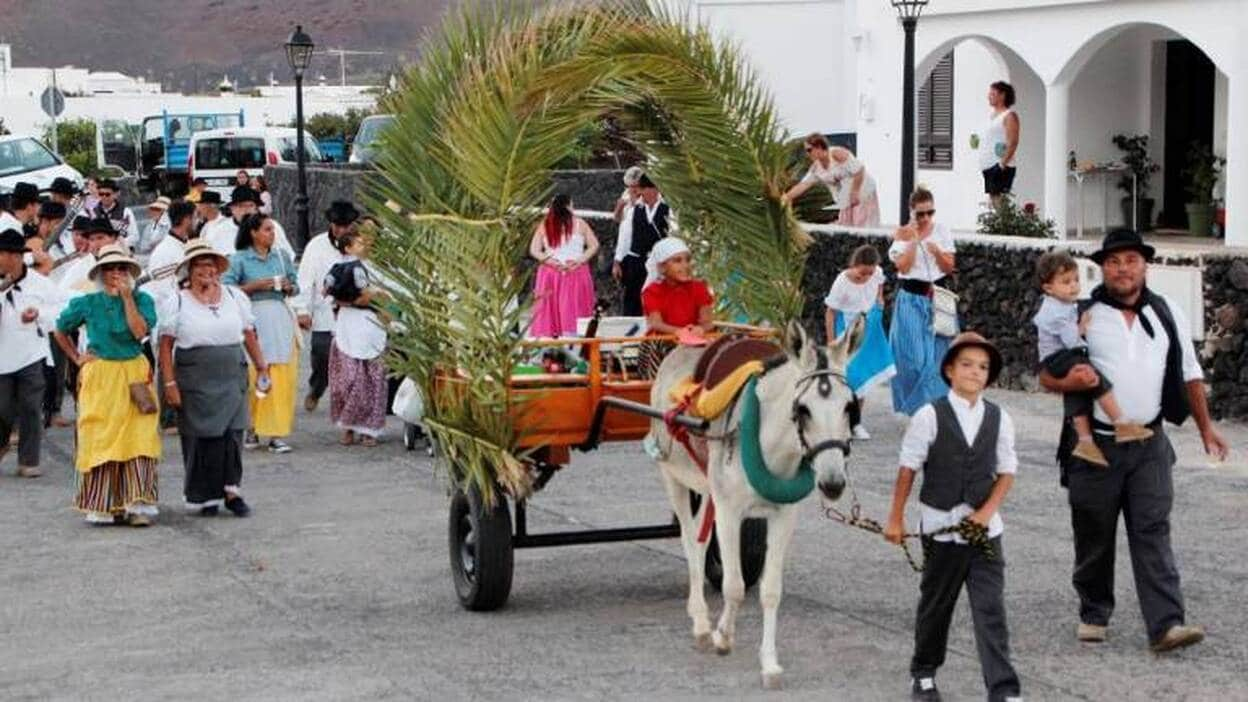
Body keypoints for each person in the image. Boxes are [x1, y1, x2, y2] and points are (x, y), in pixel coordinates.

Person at [1039, 229, 1227, 653]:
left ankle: (1165, 625)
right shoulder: (1081, 312)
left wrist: (1206, 428)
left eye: (1131, 260)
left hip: (1150, 444)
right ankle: (1094, 610)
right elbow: (1047, 369)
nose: (1123, 269)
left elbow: (1190, 373)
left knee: (1152, 530)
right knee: (1093, 532)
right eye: (1114, 261)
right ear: (1102, 268)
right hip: (1095, 446)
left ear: (1144, 265)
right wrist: (1066, 380)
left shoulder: (1166, 312)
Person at [884, 332, 1021, 702]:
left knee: (990, 610)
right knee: (936, 605)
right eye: (966, 365)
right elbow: (908, 468)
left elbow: (1007, 470)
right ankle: (924, 674)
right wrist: (895, 518)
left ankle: (1004, 690)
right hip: (941, 530)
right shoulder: (930, 415)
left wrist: (987, 512)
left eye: (983, 367)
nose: (975, 373)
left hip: (985, 534)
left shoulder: (998, 417)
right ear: (949, 370)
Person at [53, 244, 162, 526]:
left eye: (121, 268)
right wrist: (77, 357)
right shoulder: (87, 302)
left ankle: (137, 503)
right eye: (110, 268)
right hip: (101, 374)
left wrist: (127, 298)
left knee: (139, 435)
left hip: (133, 371)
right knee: (101, 433)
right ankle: (104, 503)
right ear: (101, 273)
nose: (116, 273)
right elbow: (60, 329)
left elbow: (140, 333)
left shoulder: (143, 300)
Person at [159, 240, 268, 516]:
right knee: (202, 436)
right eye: (199, 266)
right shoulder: (178, 302)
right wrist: (169, 383)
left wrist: (262, 367)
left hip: (231, 373)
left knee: (233, 432)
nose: (206, 271)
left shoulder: (234, 297)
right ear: (189, 271)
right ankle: (205, 496)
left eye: (210, 265)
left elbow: (249, 334)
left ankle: (232, 491)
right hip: (195, 377)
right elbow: (165, 345)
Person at [1032, 250, 1155, 467]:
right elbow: (1070, 340)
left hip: (1056, 358)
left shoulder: (1059, 305)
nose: (1074, 286)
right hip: (1060, 356)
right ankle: (1121, 423)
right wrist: (1081, 326)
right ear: (1048, 288)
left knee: (1077, 390)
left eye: (1076, 280)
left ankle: (1085, 441)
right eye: (1066, 282)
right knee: (1096, 379)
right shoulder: (1056, 311)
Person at [222, 213, 300, 454]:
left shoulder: (281, 256)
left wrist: (288, 286)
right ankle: (252, 425)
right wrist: (254, 287)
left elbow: (295, 284)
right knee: (255, 372)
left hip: (278, 314)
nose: (271, 234)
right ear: (253, 232)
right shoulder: (239, 260)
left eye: (272, 230)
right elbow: (227, 289)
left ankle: (276, 432)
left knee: (282, 375)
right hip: (253, 315)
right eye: (266, 229)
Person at [0, 228, 66, 477]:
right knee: (2, 409)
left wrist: (39, 315)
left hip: (31, 353)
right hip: (1, 356)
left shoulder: (40, 284)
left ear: (15, 257)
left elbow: (62, 309)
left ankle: (28, 460)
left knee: (30, 406)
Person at [889, 188, 957, 416]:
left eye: (930, 212)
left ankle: (934, 409)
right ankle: (914, 408)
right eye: (921, 214)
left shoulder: (942, 231)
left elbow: (949, 267)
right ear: (912, 212)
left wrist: (937, 252)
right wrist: (914, 241)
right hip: (911, 299)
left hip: (937, 298)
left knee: (938, 358)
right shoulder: (902, 233)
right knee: (912, 359)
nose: (926, 218)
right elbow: (903, 267)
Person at [323, 225, 389, 446]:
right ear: (349, 247)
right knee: (347, 380)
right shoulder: (340, 268)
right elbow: (331, 293)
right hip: (349, 323)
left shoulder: (382, 268)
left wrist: (377, 299)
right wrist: (352, 299)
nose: (365, 244)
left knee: (373, 380)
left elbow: (389, 296)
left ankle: (369, 429)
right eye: (360, 241)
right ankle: (348, 424)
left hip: (373, 325)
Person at [824, 244, 895, 440]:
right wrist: (832, 342)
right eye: (862, 273)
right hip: (846, 329)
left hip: (869, 326)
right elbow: (830, 313)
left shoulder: (877, 272)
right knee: (849, 376)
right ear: (855, 265)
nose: (865, 277)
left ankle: (855, 423)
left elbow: (879, 280)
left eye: (869, 273)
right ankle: (838, 422)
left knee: (863, 377)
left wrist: (879, 298)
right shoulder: (842, 282)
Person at [296, 201, 358, 412]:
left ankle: (349, 404)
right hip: (324, 313)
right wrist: (303, 310)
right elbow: (305, 279)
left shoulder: (360, 246)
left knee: (353, 360)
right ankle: (317, 387)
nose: (341, 230)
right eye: (337, 226)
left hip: (353, 312)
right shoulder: (316, 245)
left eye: (346, 226)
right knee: (322, 354)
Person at [528, 193, 599, 338]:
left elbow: (534, 250)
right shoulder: (580, 223)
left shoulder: (545, 224)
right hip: (575, 271)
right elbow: (594, 245)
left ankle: (547, 344)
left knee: (548, 311)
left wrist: (549, 261)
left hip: (550, 273)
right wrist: (579, 260)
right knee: (574, 310)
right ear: (568, 206)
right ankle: (574, 343)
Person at [782, 133, 881, 227]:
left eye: (809, 150)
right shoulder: (816, 167)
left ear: (819, 147)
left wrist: (855, 192)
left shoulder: (837, 154)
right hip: (845, 199)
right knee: (846, 225)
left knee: (861, 224)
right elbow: (804, 185)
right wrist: (786, 197)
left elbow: (859, 170)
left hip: (863, 193)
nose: (808, 154)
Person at [613, 175, 676, 316]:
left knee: (656, 300)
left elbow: (673, 236)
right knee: (632, 299)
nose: (640, 192)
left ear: (654, 189)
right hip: (636, 261)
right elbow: (625, 237)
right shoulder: (634, 210)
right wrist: (617, 262)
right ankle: (631, 335)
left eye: (643, 189)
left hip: (658, 262)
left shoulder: (668, 209)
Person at [641, 237, 713, 337]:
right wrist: (680, 332)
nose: (685, 266)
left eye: (687, 260)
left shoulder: (699, 288)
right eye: (677, 261)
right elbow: (656, 324)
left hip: (695, 337)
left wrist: (701, 329)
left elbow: (707, 323)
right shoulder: (652, 291)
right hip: (664, 340)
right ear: (662, 268)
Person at [209, 187, 295, 259]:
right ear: (232, 209)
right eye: (241, 206)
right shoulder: (219, 231)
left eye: (250, 205)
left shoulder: (271, 226)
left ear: (256, 208)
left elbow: (287, 256)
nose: (246, 210)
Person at [978, 82, 1020, 207]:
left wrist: (1002, 164)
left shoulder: (1009, 116)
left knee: (999, 203)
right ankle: (1002, 226)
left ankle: (1008, 227)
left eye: (993, 94)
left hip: (1001, 166)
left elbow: (1013, 141)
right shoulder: (991, 116)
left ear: (1002, 95)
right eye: (989, 94)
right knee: (994, 203)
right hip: (988, 166)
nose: (989, 96)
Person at [89, 178, 139, 248]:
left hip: (121, 252)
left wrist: (114, 246)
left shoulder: (125, 212)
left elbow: (134, 237)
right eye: (101, 194)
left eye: (107, 194)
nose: (104, 197)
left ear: (116, 194)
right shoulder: (93, 213)